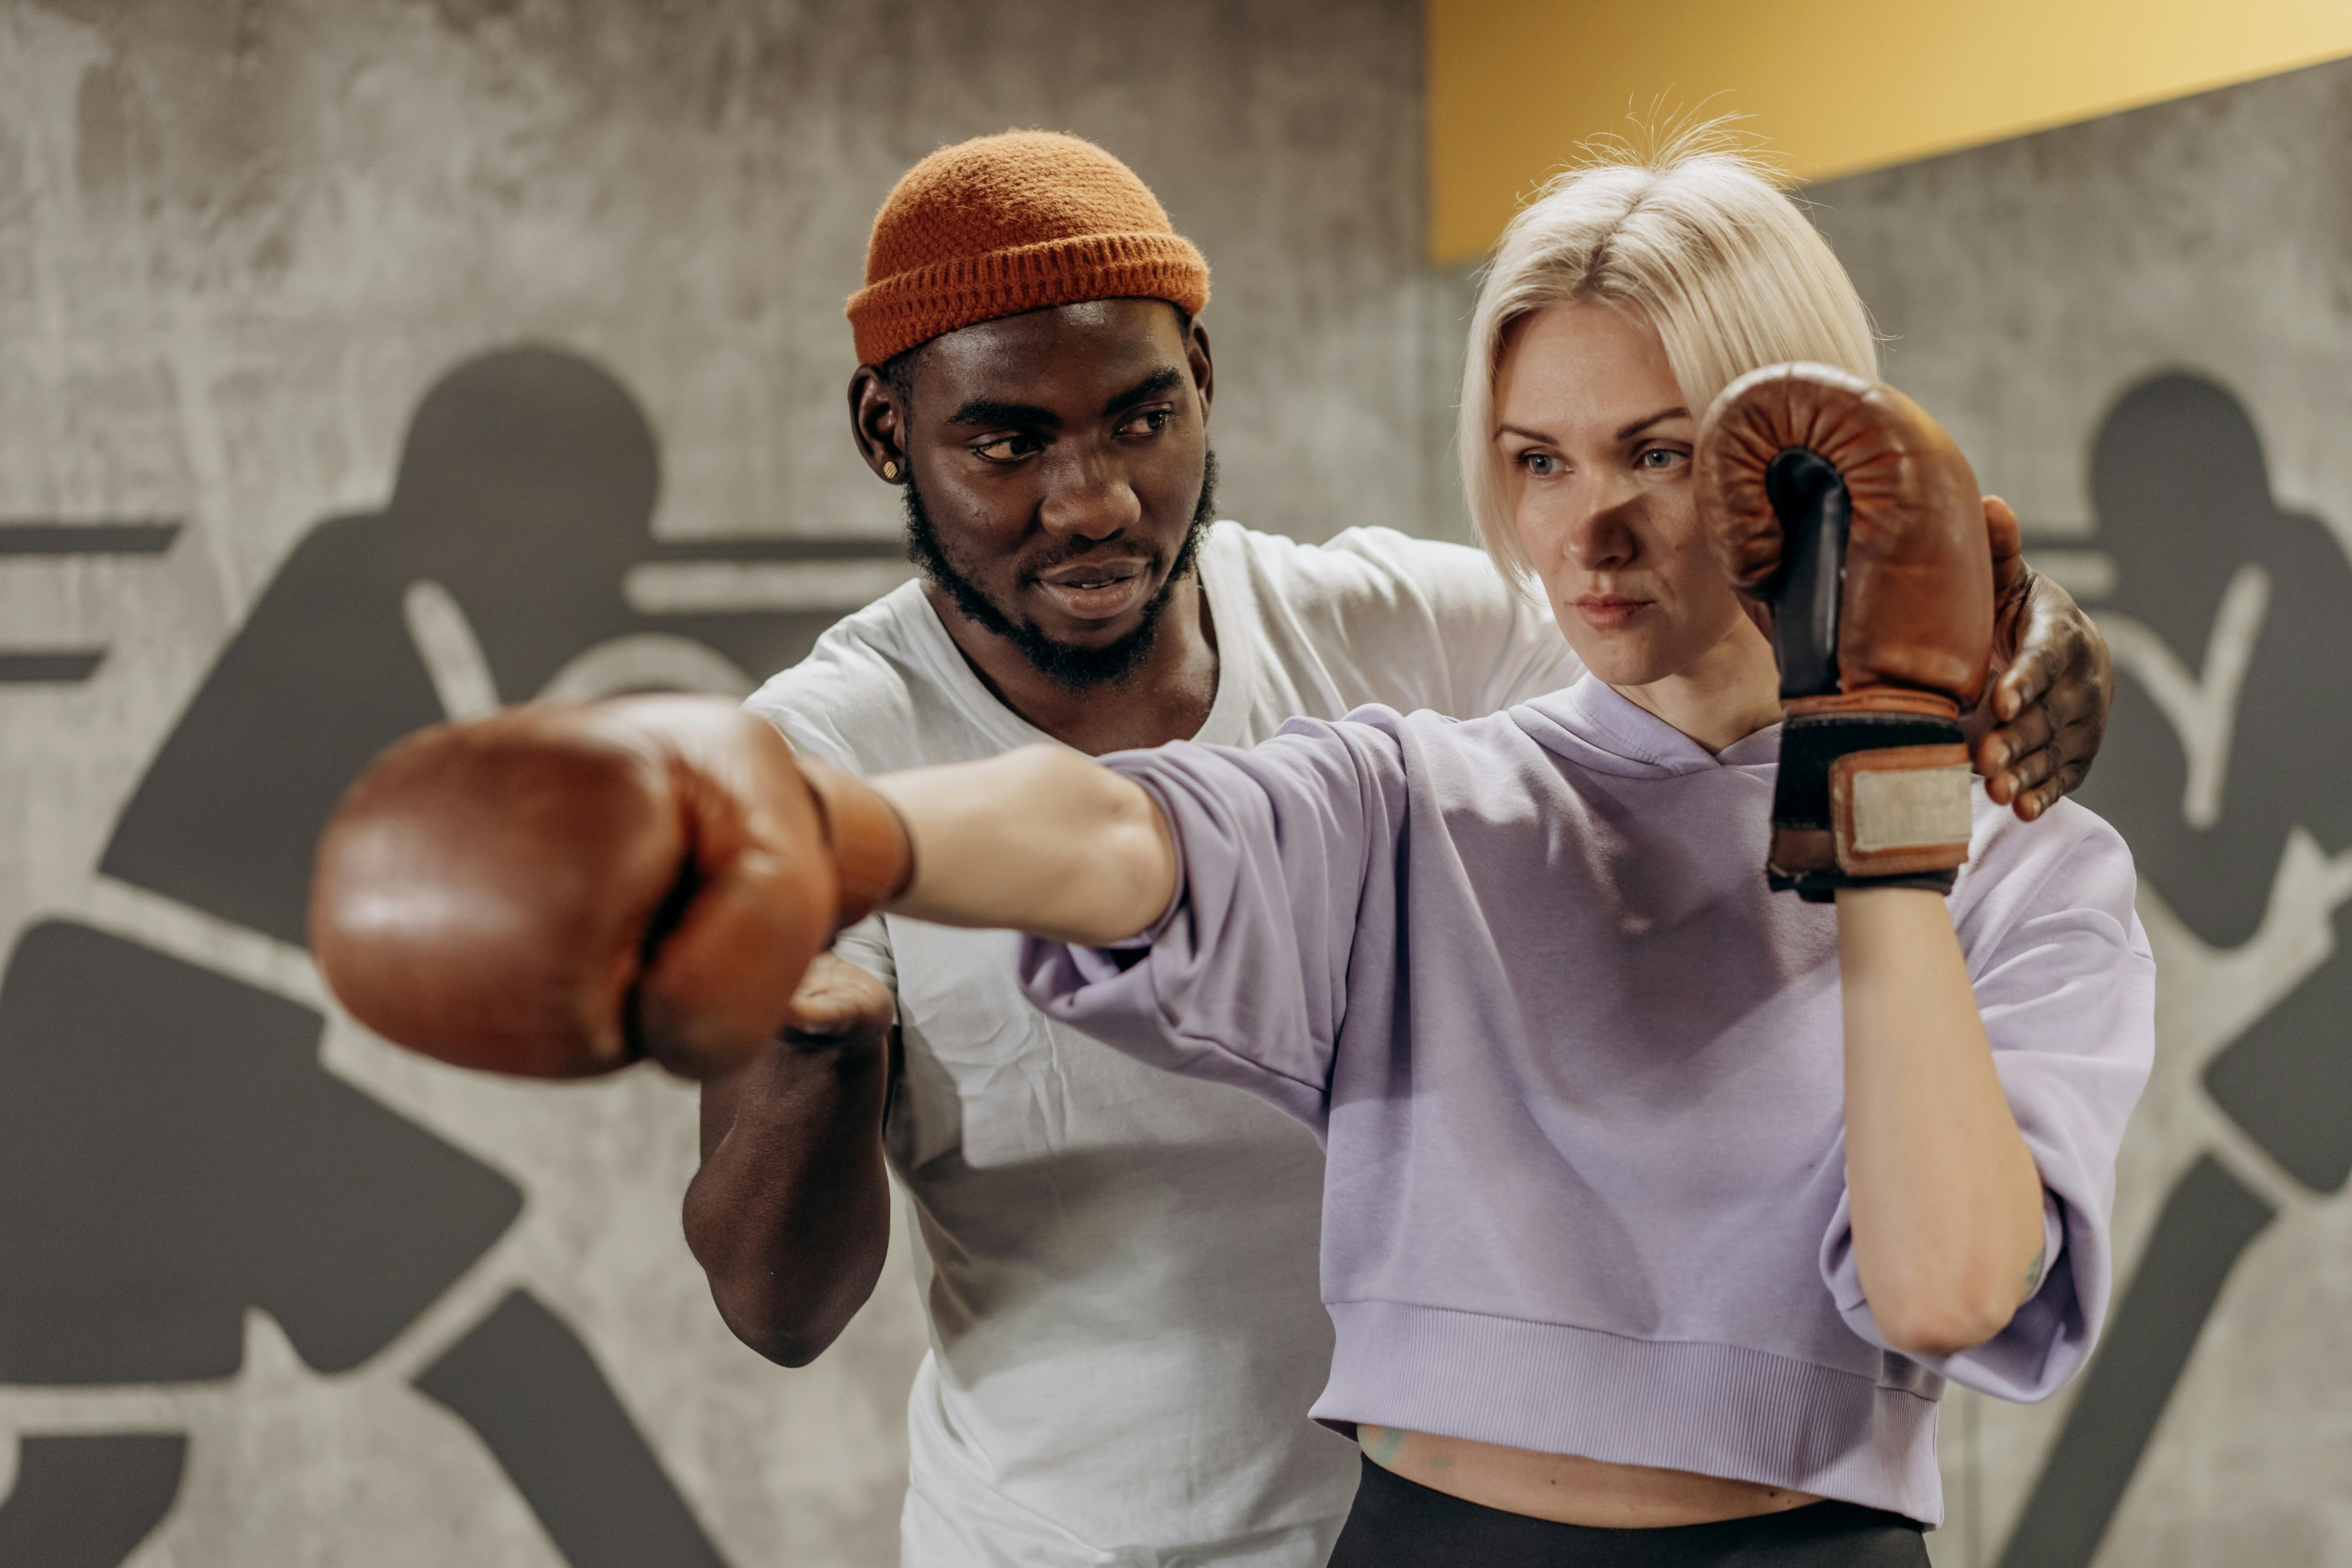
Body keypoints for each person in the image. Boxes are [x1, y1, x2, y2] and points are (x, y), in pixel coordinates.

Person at [309, 134, 2121, 1568]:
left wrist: (1952, 690)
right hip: (1105, 1531)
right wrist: (798, 833)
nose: (1089, 499)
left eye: (1658, 451)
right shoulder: (1399, 789)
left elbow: (1697, 702)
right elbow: (1114, 830)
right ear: (896, 437)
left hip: (1435, 1514)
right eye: (1539, 463)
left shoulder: (1413, 635)